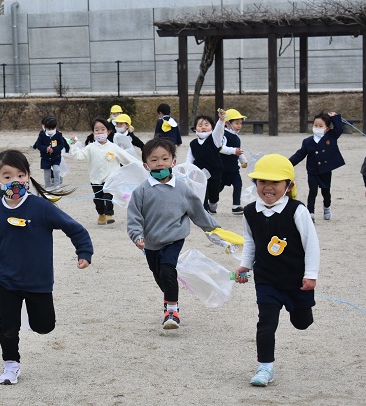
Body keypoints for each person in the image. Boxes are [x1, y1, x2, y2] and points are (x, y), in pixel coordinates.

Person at [0, 149, 93, 385]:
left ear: (28, 177)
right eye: (7, 176)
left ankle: (29, 318)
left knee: (44, 326)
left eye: (20, 175)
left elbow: (74, 227)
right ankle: (10, 366)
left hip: (38, 281)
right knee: (8, 328)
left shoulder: (41, 208)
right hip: (7, 282)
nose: (15, 181)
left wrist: (84, 252)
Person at [234, 154, 319, 387]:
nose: (268, 188)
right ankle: (265, 367)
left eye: (275, 183)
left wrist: (311, 275)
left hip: (295, 280)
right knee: (266, 322)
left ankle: (298, 309)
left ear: (288, 186)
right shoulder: (250, 212)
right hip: (266, 280)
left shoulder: (297, 211)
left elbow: (311, 243)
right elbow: (250, 242)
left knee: (302, 322)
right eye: (262, 182)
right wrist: (244, 265)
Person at [127, 137, 220, 330]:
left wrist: (214, 229)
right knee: (158, 274)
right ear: (146, 165)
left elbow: (198, 211)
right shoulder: (141, 191)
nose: (159, 163)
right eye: (154, 160)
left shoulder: (182, 189)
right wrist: (137, 235)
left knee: (167, 270)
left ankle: (171, 311)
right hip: (151, 242)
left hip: (174, 239)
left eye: (164, 158)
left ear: (173, 162)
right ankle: (169, 296)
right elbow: (134, 217)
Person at [69, 117, 140, 225]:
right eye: (97, 130)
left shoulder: (113, 147)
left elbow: (127, 158)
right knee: (98, 199)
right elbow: (79, 156)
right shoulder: (90, 147)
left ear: (108, 131)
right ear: (93, 132)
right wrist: (73, 145)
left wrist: (142, 165)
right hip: (96, 179)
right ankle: (101, 214)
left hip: (111, 179)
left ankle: (109, 214)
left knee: (109, 196)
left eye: (102, 129)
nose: (100, 132)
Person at [289, 111, 345, 221]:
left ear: (327, 128)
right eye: (315, 125)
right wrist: (288, 163)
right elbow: (300, 154)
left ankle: (327, 207)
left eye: (320, 126)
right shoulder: (307, 141)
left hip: (325, 171)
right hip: (312, 171)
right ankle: (311, 212)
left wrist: (335, 117)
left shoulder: (331, 137)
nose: (317, 128)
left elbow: (339, 129)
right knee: (312, 192)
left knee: (326, 192)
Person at [186, 110, 226, 213]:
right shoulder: (193, 143)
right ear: (195, 128)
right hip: (199, 172)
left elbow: (219, 131)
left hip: (214, 171)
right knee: (202, 190)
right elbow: (190, 158)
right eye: (200, 125)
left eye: (206, 125)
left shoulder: (215, 139)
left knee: (214, 193)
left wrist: (221, 121)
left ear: (212, 127)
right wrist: (189, 169)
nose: (203, 127)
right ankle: (204, 209)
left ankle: (212, 203)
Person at [220, 108, 249, 215]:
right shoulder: (223, 135)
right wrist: (233, 151)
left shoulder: (237, 137)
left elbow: (239, 151)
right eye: (236, 123)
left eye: (240, 123)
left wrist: (243, 161)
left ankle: (236, 206)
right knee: (218, 188)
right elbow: (220, 148)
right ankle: (210, 201)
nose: (239, 126)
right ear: (227, 123)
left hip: (233, 169)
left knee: (238, 184)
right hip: (222, 168)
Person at [33, 117, 67, 189]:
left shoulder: (58, 135)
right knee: (47, 174)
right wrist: (46, 148)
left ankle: (57, 184)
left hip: (56, 157)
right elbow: (38, 145)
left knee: (56, 170)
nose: (50, 130)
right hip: (45, 158)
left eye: (52, 128)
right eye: (49, 129)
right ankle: (47, 186)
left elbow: (61, 145)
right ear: (45, 127)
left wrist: (54, 149)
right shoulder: (42, 135)